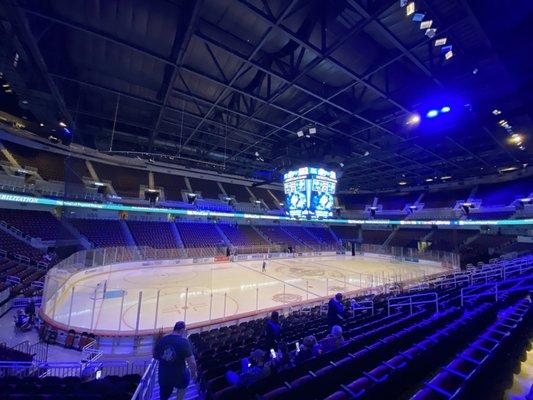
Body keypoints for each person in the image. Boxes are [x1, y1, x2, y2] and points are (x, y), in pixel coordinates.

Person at [153, 321, 197, 400]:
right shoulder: (184, 342)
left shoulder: (163, 339)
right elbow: (192, 362)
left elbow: (155, 356)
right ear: (182, 330)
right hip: (179, 375)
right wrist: (194, 374)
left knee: (163, 396)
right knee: (185, 379)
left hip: (163, 375)